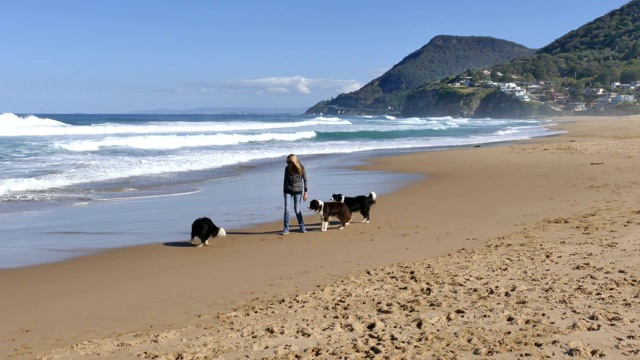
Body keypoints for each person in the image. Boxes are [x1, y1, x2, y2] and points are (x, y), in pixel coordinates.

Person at [280, 154, 308, 234]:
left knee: (296, 209)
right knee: (287, 210)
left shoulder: (301, 168)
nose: (288, 163)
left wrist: (305, 192)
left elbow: (305, 180)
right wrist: (284, 192)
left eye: (289, 161)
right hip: (287, 190)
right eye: (287, 161)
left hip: (298, 191)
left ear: (294, 161)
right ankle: (286, 228)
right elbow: (285, 180)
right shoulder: (287, 168)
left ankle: (302, 226)